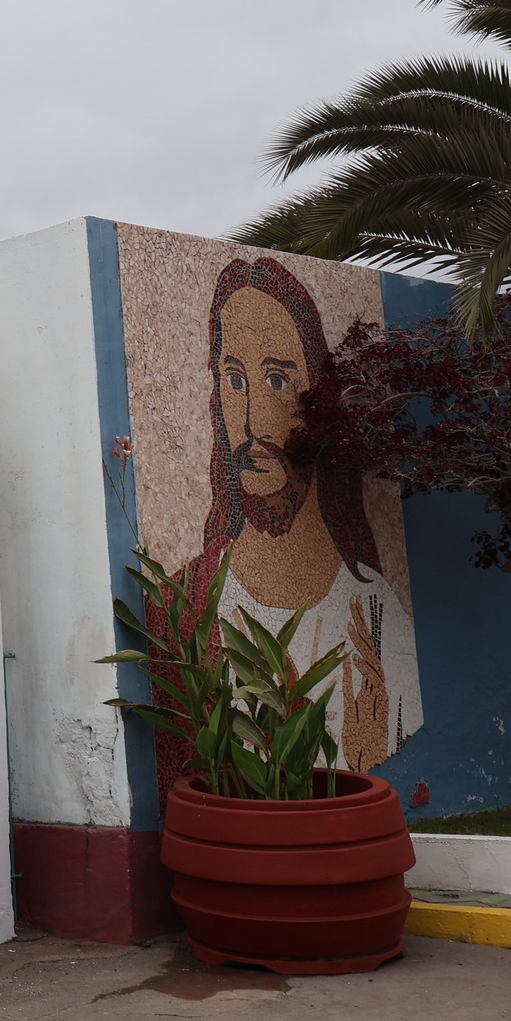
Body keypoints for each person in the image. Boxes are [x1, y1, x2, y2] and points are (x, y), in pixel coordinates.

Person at [165, 258, 422, 774]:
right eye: (234, 381)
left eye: (278, 381)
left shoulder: (375, 613)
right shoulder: (181, 607)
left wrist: (364, 760)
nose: (253, 421)